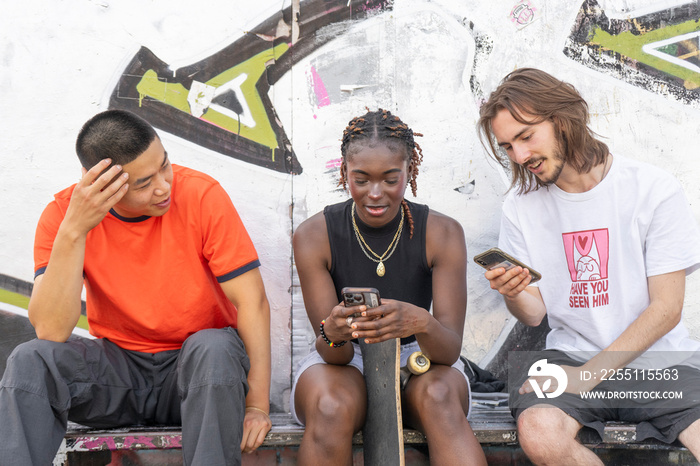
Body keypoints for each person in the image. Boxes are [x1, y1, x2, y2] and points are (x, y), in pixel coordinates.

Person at [0, 109, 272, 465]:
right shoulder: (62, 217)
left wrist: (256, 405)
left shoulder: (201, 195)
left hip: (197, 376)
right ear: (97, 180)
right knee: (30, 359)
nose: (163, 185)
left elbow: (253, 302)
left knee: (215, 345)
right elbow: (51, 330)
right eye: (143, 182)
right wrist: (74, 231)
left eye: (165, 165)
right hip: (118, 376)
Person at [478, 67, 700, 464]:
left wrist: (590, 375)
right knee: (540, 432)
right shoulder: (520, 207)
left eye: (526, 136)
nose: (520, 156)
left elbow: (666, 310)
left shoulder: (651, 189)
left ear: (563, 119)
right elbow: (534, 313)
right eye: (508, 146)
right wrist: (513, 293)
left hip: (660, 360)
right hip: (569, 357)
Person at [291, 108, 488, 465]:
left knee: (441, 397)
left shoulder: (441, 233)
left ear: (410, 171)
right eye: (361, 179)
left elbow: (448, 352)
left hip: (420, 361)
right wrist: (335, 331)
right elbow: (335, 353)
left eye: (390, 179)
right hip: (344, 366)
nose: (375, 193)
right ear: (344, 172)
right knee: (330, 406)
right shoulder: (313, 235)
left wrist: (421, 323)